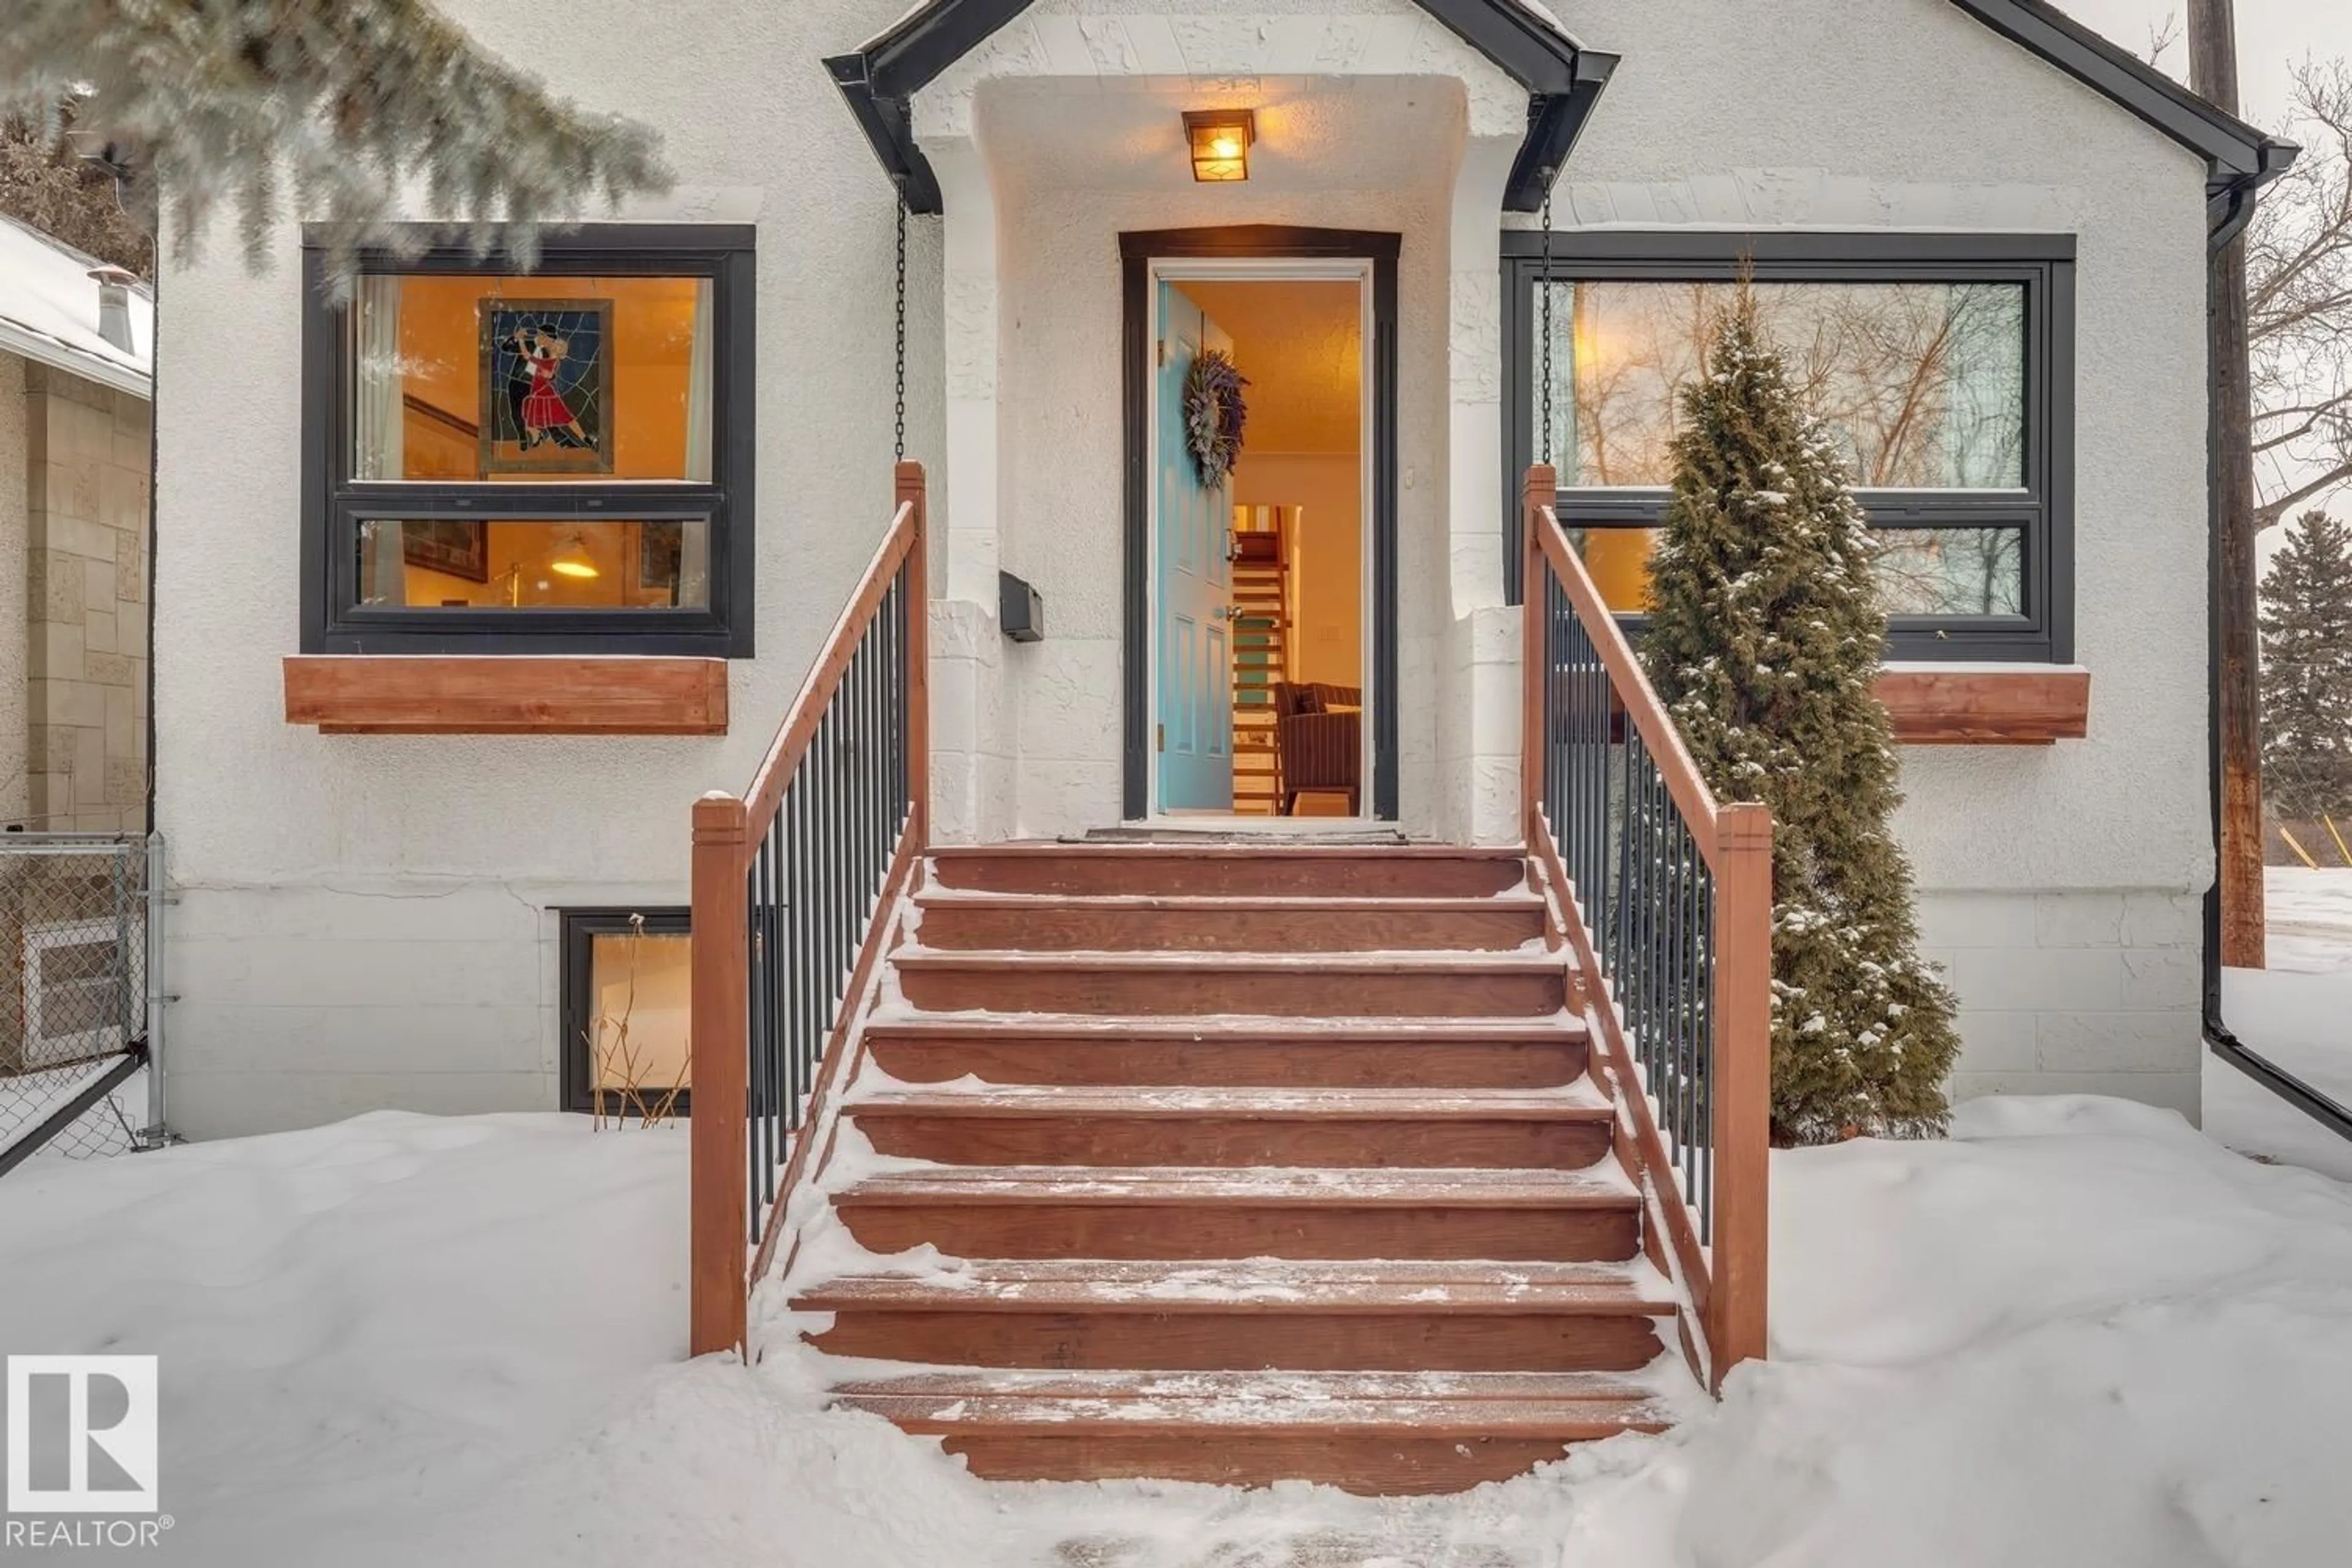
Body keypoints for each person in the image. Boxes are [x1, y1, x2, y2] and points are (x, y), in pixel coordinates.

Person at [508, 323, 596, 451]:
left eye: (553, 344)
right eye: (551, 342)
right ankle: (584, 439)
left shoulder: (547, 361)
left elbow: (528, 357)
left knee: (550, 419)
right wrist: (519, 339)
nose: (551, 344)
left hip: (542, 394)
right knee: (558, 419)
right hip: (537, 392)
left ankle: (581, 439)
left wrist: (521, 340)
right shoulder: (551, 361)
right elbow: (532, 360)